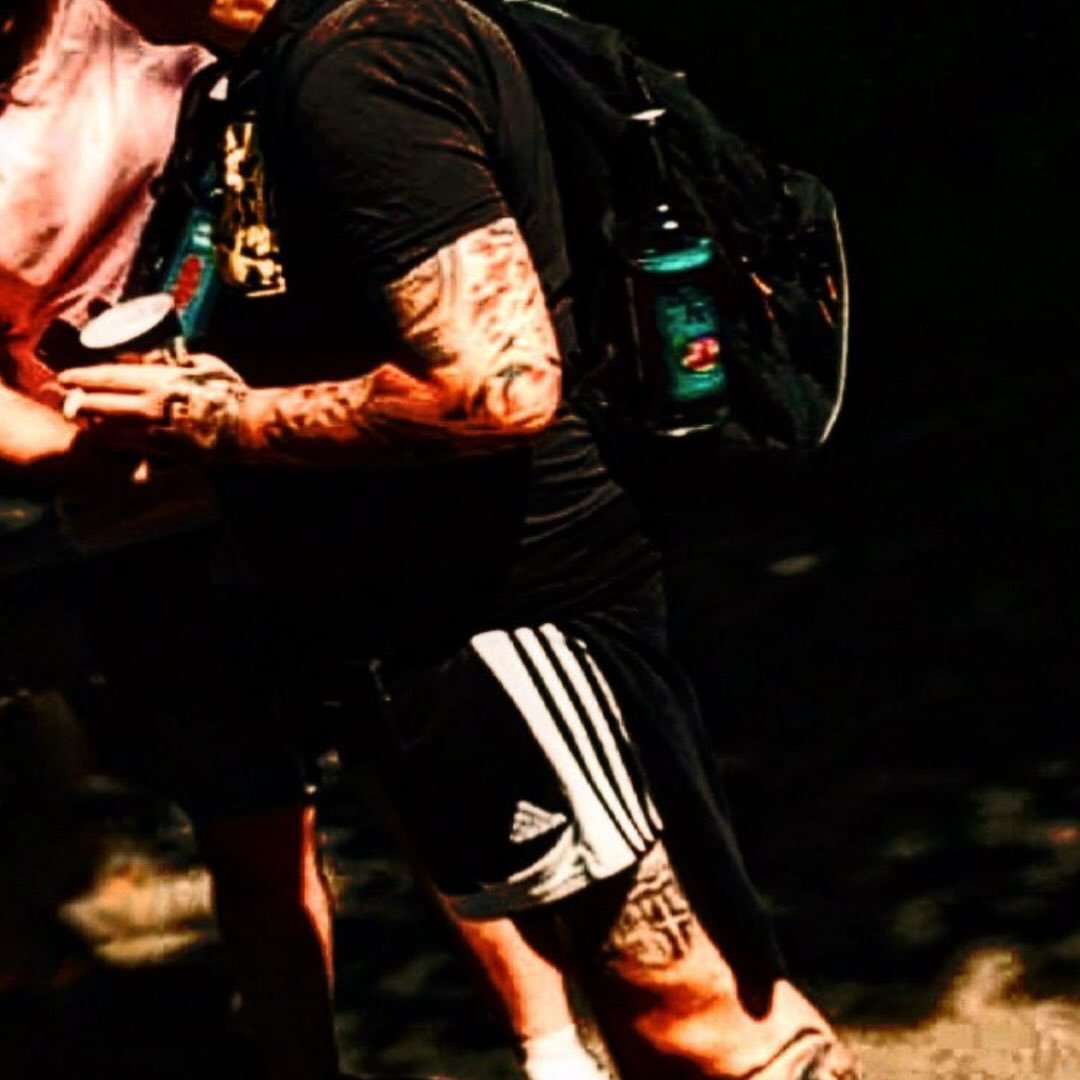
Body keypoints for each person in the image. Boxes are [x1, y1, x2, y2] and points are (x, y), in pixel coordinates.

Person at [61, 0, 865, 1078]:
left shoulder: (362, 70)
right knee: (645, 1003)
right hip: (433, 623)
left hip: (512, 613)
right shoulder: (266, 73)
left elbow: (497, 384)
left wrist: (217, 420)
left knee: (693, 1005)